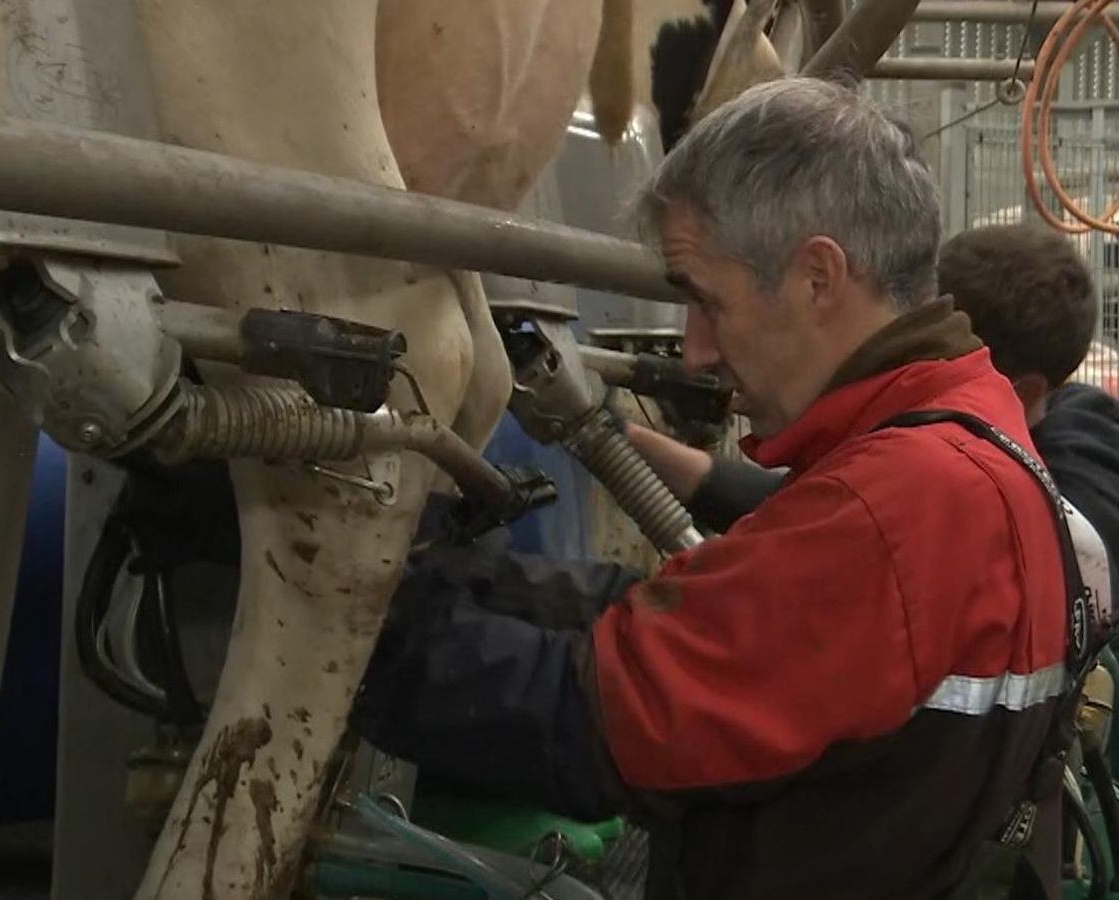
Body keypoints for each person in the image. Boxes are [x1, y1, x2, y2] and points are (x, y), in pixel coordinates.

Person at [353, 77, 1074, 900]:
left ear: (816, 278)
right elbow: (723, 625)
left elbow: (592, 721)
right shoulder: (973, 436)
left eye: (707, 302)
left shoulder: (898, 501)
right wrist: (462, 577)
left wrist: (338, 602)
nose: (695, 352)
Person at [629, 221, 1119, 672]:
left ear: (1022, 388)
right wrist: (633, 441)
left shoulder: (1072, 488)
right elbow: (805, 507)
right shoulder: (1026, 436)